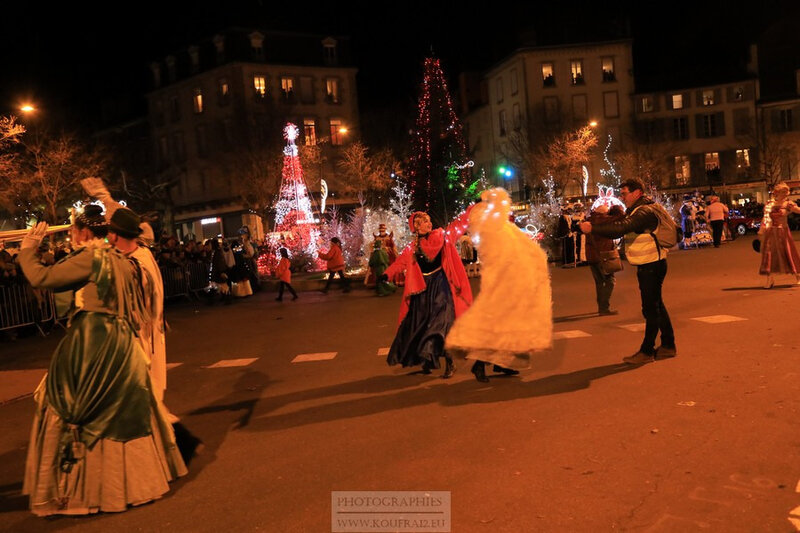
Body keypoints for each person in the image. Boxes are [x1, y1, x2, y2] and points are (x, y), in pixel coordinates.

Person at [18, 211, 186, 516]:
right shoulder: (126, 261)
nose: (71, 236)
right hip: (123, 344)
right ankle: (134, 485)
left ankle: (84, 491)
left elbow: (42, 278)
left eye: (73, 231)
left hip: (93, 344)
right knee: (123, 410)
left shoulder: (92, 258)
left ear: (87, 234)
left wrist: (28, 250)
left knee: (69, 403)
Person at [445, 189, 552, 382]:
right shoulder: (487, 223)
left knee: (511, 325)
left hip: (512, 280)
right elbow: (495, 250)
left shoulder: (499, 224)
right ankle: (480, 365)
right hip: (503, 282)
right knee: (497, 326)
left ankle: (504, 364)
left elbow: (519, 247)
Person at [580, 179, 677, 365]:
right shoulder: (643, 209)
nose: (622, 197)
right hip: (650, 263)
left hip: (652, 265)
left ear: (637, 192)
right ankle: (668, 345)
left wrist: (593, 228)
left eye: (624, 193)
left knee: (650, 309)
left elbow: (620, 228)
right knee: (657, 306)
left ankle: (647, 351)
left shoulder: (644, 211)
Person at [381, 209, 473, 379]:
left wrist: (472, 209)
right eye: (424, 221)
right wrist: (387, 274)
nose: (429, 223)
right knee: (421, 325)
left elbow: (457, 226)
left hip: (441, 285)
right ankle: (426, 360)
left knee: (441, 324)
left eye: (429, 220)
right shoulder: (413, 246)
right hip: (422, 288)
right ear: (416, 227)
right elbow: (401, 262)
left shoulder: (441, 237)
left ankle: (450, 362)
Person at [585, 203, 625, 315]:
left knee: (599, 282)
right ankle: (604, 308)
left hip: (592, 255)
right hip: (603, 255)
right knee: (610, 281)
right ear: (604, 213)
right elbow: (621, 216)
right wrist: (616, 209)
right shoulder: (603, 220)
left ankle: (601, 307)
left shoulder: (589, 220)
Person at [758, 182, 800, 288]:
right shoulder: (770, 204)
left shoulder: (788, 204)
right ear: (777, 192)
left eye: (787, 191)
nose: (786, 193)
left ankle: (798, 275)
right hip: (771, 232)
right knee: (769, 255)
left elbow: (798, 210)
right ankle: (770, 279)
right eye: (783, 191)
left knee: (788, 253)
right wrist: (761, 230)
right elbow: (765, 218)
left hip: (783, 232)